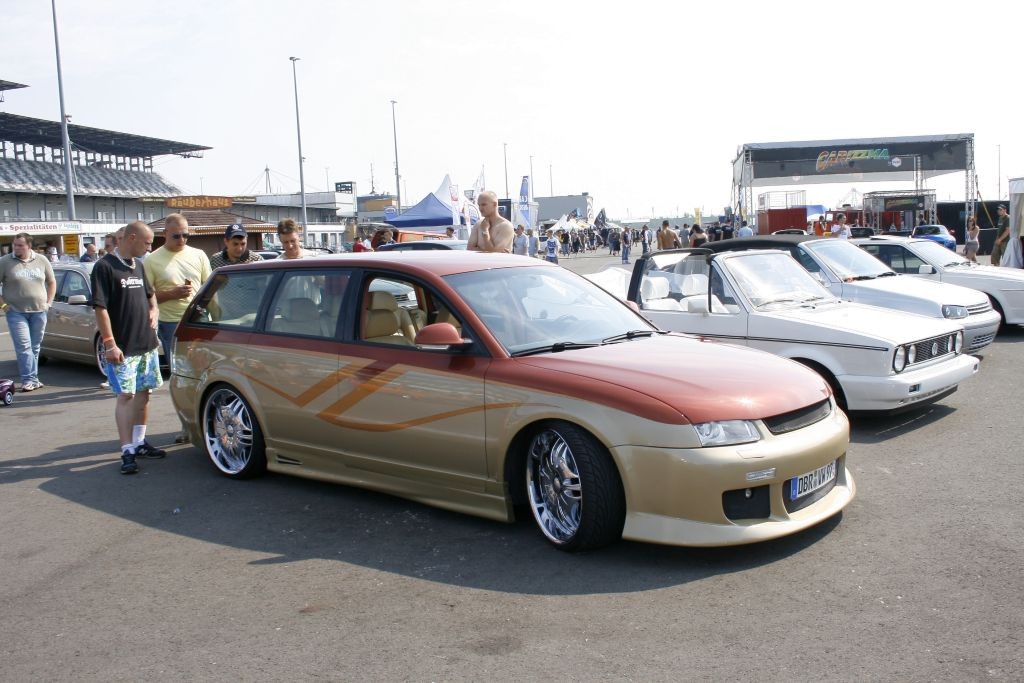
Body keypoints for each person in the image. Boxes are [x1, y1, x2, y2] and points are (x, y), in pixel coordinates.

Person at [91, 221, 165, 474]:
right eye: (147, 242)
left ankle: (139, 442)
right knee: (126, 396)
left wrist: (154, 310)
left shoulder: (139, 265)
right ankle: (127, 451)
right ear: (132, 238)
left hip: (146, 344)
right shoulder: (104, 267)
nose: (149, 247)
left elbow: (150, 295)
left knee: (144, 394)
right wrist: (110, 344)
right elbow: (100, 308)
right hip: (123, 347)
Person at [144, 213, 212, 367]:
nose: (181, 240)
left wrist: (216, 317)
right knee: (179, 368)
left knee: (205, 366)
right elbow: (145, 297)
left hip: (198, 318)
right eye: (176, 236)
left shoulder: (199, 255)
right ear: (164, 233)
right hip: (170, 322)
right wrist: (171, 294)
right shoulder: (152, 260)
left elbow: (210, 289)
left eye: (185, 235)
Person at [0, 233, 56, 392]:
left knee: (35, 347)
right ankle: (28, 380)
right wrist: (3, 305)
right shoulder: (5, 262)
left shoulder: (41, 260)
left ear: (29, 246)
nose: (16, 248)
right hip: (16, 312)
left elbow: (51, 282)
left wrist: (49, 303)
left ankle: (34, 378)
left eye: (20, 245)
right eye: (15, 245)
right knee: (24, 347)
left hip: (39, 311)